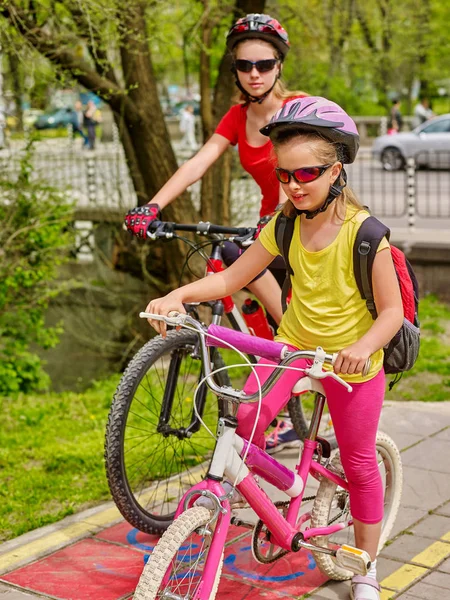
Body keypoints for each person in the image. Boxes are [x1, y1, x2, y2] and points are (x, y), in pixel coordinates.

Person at [145, 97, 404, 600]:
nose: (293, 186)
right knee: (244, 423)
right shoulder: (282, 224)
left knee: (358, 463)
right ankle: (282, 492)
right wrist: (178, 296)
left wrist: (361, 346)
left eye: (306, 173)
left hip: (350, 361)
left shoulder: (367, 235)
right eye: (284, 175)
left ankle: (366, 566)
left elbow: (391, 312)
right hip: (293, 347)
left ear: (337, 169)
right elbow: (231, 281)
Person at [125, 13, 308, 329]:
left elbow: (292, 166)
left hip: (303, 223)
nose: (254, 74)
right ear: (235, 70)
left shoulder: (298, 108)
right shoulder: (238, 116)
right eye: (244, 66)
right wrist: (152, 206)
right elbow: (198, 163)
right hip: (268, 227)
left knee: (241, 262)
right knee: (231, 252)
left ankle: (294, 338)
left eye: (264, 65)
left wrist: (279, 212)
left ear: (279, 66)